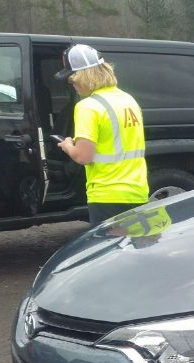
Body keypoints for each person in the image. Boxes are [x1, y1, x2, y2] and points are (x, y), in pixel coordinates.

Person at [55, 44, 148, 227]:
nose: (71, 85)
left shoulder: (87, 106)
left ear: (83, 76)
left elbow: (83, 156)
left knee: (109, 252)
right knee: (131, 249)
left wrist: (67, 145)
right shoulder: (128, 99)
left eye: (72, 79)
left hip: (107, 195)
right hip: (138, 191)